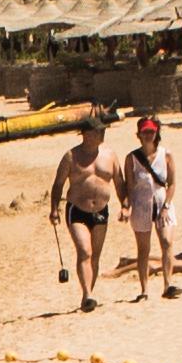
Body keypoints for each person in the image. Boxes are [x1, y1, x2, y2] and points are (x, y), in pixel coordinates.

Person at [49, 118, 118, 310]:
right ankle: (87, 293)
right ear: (86, 134)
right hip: (77, 210)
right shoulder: (71, 156)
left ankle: (89, 295)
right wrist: (54, 209)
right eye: (98, 131)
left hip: (101, 210)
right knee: (84, 251)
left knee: (95, 256)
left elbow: (119, 181)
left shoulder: (110, 155)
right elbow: (58, 184)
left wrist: (126, 204)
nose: (102, 134)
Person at [120, 114, 181, 296]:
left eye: (151, 132)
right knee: (143, 249)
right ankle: (144, 289)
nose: (148, 135)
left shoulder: (166, 155)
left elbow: (172, 184)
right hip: (141, 205)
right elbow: (129, 187)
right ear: (138, 134)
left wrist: (166, 207)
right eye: (145, 132)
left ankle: (168, 284)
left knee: (167, 242)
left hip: (162, 202)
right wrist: (126, 207)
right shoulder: (132, 158)